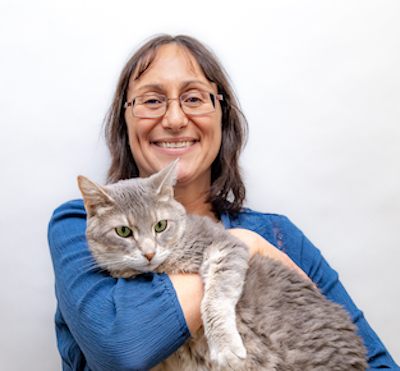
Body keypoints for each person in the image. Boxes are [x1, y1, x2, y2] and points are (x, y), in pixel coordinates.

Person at [48, 34, 399, 371]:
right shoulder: (79, 225)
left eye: (194, 98)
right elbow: (121, 349)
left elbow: (377, 365)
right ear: (125, 122)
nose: (173, 120)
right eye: (152, 100)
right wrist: (243, 246)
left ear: (223, 116)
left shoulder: (279, 235)